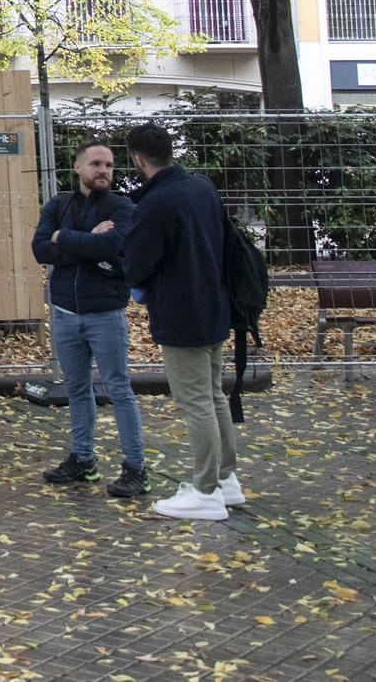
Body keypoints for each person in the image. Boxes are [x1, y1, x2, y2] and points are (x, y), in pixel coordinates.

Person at [122, 123, 245, 521]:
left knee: (195, 402)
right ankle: (226, 480)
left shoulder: (157, 203)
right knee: (212, 395)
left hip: (180, 313)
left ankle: (205, 490)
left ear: (137, 159)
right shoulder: (201, 188)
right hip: (214, 305)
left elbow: (137, 263)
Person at [32, 142, 146, 499]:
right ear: (78, 167)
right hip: (65, 314)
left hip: (105, 314)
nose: (104, 170)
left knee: (118, 388)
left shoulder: (122, 206)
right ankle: (83, 459)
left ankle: (135, 467)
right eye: (96, 163)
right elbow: (39, 249)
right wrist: (86, 242)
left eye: (110, 165)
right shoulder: (58, 204)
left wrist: (64, 238)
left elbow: (112, 246)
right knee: (77, 389)